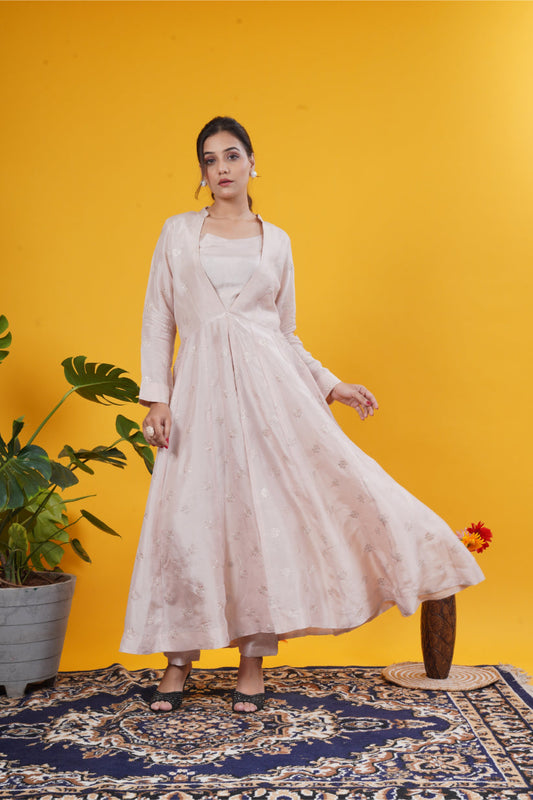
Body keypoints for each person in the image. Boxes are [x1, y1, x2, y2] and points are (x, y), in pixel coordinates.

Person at [120, 116, 484, 713]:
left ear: (252, 162)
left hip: (271, 402)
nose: (221, 168)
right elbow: (158, 317)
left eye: (231, 155)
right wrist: (156, 396)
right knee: (187, 522)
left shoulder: (278, 242)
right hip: (199, 400)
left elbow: (284, 335)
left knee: (261, 525)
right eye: (209, 160)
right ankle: (177, 661)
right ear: (202, 173)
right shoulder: (177, 233)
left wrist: (333, 386)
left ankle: (253, 661)